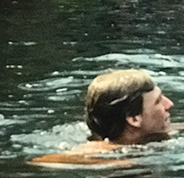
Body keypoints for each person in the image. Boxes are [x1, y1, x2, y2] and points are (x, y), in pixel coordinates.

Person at [30, 70, 174, 166]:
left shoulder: (150, 134)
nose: (169, 104)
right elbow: (39, 161)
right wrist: (117, 161)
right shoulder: (104, 152)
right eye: (158, 101)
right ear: (134, 119)